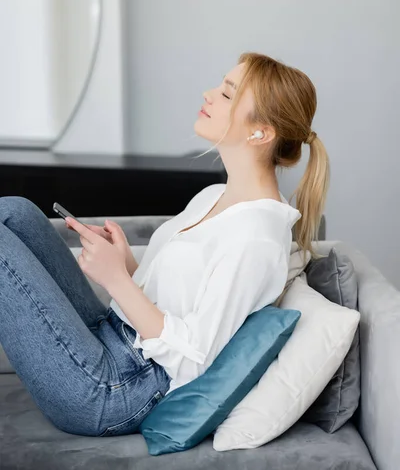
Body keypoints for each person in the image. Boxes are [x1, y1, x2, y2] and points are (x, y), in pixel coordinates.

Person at [0, 51, 330, 438]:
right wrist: (127, 267)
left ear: (260, 133)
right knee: (15, 212)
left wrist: (116, 281)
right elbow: (177, 305)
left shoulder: (257, 240)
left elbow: (193, 362)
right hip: (114, 335)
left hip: (118, 389)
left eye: (227, 94)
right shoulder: (213, 195)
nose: (208, 94)